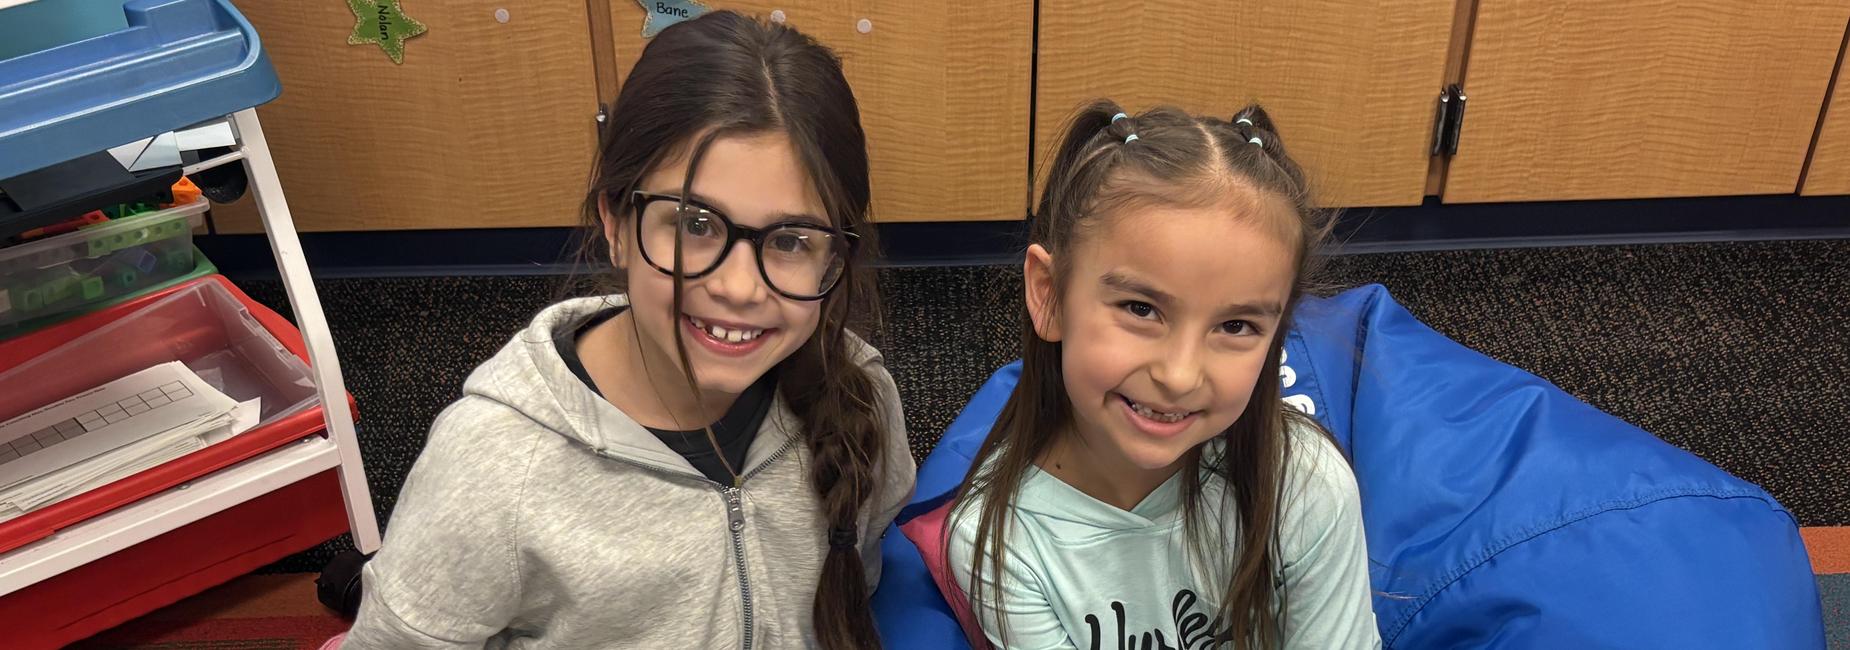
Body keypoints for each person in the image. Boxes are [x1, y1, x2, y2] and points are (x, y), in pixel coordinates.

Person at [344, 11, 914, 649]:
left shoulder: (859, 393)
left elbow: (861, 585)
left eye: (790, 240)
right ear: (615, 223)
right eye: (695, 225)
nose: (739, 287)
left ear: (835, 256)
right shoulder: (494, 470)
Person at [947, 101, 1378, 649]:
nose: (1178, 375)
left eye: (1236, 325)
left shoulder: (1305, 483)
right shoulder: (1000, 540)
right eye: (1141, 309)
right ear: (1049, 294)